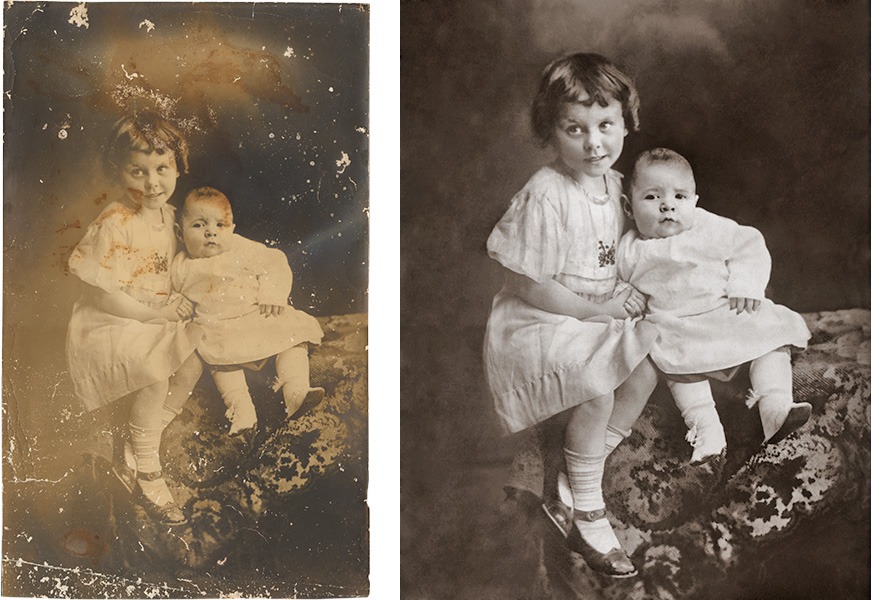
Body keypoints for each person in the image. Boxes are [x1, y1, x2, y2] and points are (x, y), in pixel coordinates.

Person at [484, 53, 660, 578]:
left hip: (594, 313)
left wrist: (627, 293)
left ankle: (578, 473)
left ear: (626, 123)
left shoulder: (619, 186)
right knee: (595, 385)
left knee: (650, 361)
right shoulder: (546, 193)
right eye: (574, 129)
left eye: (606, 125)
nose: (593, 144)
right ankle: (588, 510)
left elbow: (625, 252)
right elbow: (528, 284)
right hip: (540, 319)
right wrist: (599, 309)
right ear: (550, 132)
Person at [617, 148, 812, 464]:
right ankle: (706, 432)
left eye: (680, 196)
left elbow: (749, 245)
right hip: (676, 324)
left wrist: (745, 285)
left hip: (725, 311)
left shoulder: (708, 227)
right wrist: (623, 294)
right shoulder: (629, 250)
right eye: (652, 198)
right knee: (674, 364)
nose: (668, 205)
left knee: (770, 339)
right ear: (629, 207)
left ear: (694, 201)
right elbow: (613, 281)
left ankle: (774, 408)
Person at [66, 111, 205, 526]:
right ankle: (148, 471)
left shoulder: (173, 218)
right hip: (111, 321)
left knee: (197, 354)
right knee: (153, 371)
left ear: (178, 166)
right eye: (137, 171)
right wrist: (158, 313)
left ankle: (142, 440)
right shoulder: (115, 222)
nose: (151, 183)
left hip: (153, 317)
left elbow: (180, 267)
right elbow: (104, 297)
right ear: (118, 171)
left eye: (162, 168)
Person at [171, 187, 324, 436]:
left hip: (256, 315)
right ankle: (241, 412)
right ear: (181, 232)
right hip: (217, 326)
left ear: (232, 229)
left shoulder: (241, 249)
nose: (211, 232)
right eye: (199, 225)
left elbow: (275, 263)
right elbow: (171, 291)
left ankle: (295, 391)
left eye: (220, 225)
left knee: (292, 338)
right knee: (220, 362)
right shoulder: (181, 266)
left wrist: (272, 294)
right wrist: (176, 301)